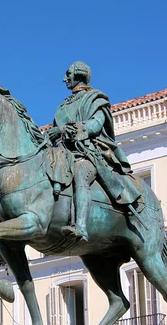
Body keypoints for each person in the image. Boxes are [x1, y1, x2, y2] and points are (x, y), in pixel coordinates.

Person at [46, 61, 141, 241]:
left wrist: (66, 130)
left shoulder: (96, 99)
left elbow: (94, 125)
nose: (64, 78)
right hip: (63, 153)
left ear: (79, 75)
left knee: (80, 173)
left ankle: (80, 226)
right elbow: (56, 130)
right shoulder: (63, 105)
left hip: (88, 153)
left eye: (68, 74)